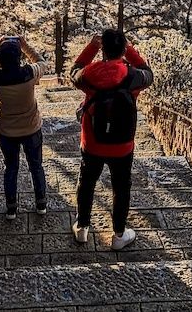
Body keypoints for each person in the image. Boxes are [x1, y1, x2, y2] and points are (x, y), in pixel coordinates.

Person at [70, 29, 153, 250]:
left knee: (87, 183)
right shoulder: (132, 76)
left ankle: (82, 228)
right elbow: (148, 73)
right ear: (122, 48)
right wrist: (131, 51)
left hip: (92, 142)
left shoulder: (90, 73)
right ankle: (118, 235)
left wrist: (91, 47)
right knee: (121, 187)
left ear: (103, 50)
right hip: (123, 144)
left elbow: (74, 72)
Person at [0, 36, 48, 219]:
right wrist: (25, 45)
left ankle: (11, 208)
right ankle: (41, 204)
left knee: (11, 168)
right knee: (36, 166)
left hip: (7, 130)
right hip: (31, 128)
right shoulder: (30, 73)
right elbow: (41, 61)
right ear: (19, 56)